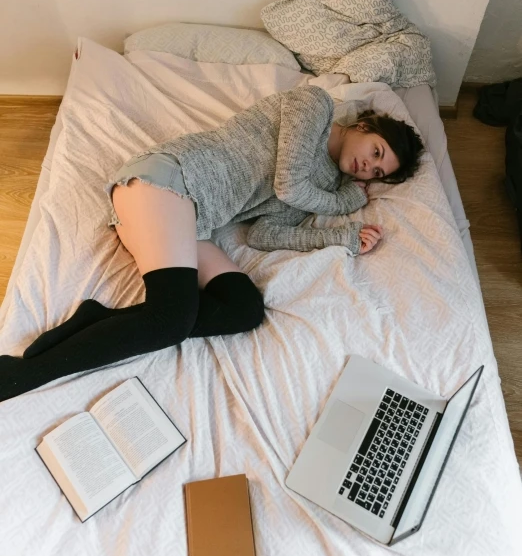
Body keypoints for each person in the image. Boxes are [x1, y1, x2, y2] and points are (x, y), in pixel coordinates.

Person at [0, 86, 423, 401]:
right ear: (364, 127)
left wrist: (342, 237)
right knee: (170, 320)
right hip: (168, 182)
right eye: (376, 151)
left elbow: (265, 234)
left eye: (377, 173)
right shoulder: (313, 105)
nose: (368, 167)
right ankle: (22, 374)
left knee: (244, 309)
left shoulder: (325, 184)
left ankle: (97, 320)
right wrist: (344, 203)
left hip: (191, 222)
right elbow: (289, 183)